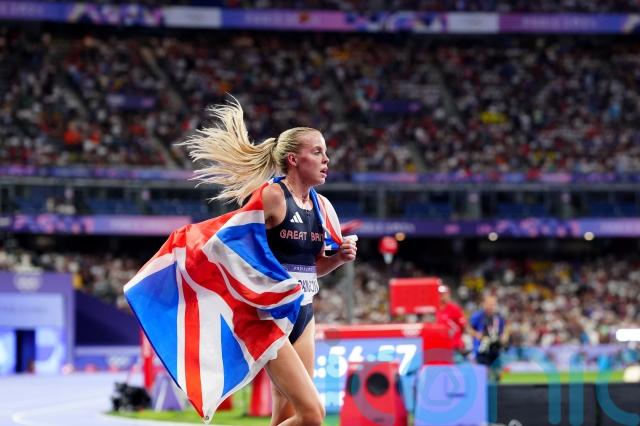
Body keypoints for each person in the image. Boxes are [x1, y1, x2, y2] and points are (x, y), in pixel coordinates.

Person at [183, 99, 357, 426]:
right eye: (317, 152)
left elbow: (314, 267)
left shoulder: (323, 207)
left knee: (287, 415)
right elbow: (223, 244)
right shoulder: (273, 197)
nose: (326, 159)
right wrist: (259, 288)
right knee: (313, 415)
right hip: (269, 316)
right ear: (294, 159)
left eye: (325, 152)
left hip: (303, 311)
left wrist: (338, 259)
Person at [468, 294, 507, 382]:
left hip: (495, 350)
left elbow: (503, 332)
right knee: (483, 376)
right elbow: (469, 329)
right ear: (484, 304)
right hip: (482, 351)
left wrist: (503, 338)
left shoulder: (499, 318)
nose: (491, 306)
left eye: (493, 304)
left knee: (498, 376)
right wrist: (477, 335)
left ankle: (495, 389)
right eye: (489, 304)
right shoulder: (478, 316)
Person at [435, 284, 466, 357]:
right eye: (440, 294)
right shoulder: (434, 309)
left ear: (448, 295)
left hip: (454, 347)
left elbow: (463, 326)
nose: (442, 297)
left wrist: (456, 337)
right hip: (439, 346)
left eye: (444, 294)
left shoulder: (454, 308)